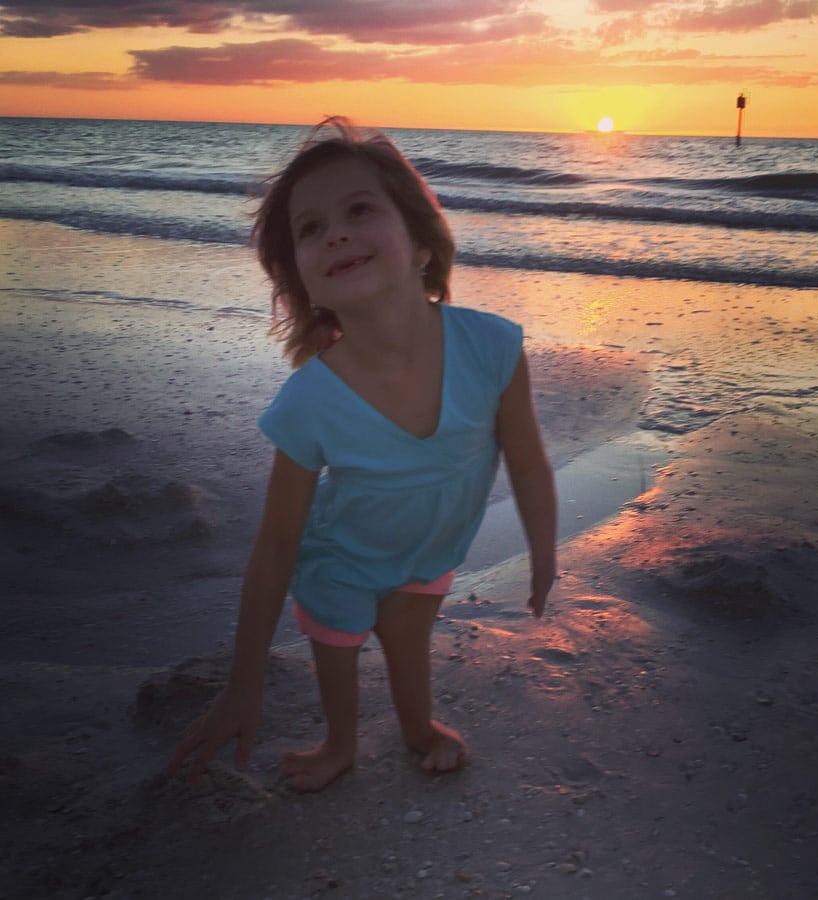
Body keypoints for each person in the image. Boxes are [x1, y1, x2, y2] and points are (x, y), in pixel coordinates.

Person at [166, 117, 556, 792]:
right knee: (339, 644)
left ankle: (416, 728)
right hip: (341, 557)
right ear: (305, 285)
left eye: (359, 210)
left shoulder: (491, 347)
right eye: (310, 229)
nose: (336, 233)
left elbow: (526, 459)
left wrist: (545, 553)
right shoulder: (311, 400)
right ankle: (339, 744)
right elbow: (277, 544)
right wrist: (242, 685)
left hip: (431, 548)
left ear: (421, 243)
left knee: (408, 639)